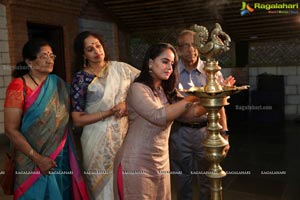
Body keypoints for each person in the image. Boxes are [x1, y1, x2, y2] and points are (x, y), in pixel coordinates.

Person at [113, 43, 206, 200]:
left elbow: (193, 112)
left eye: (172, 64)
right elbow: (158, 115)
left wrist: (217, 96)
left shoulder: (167, 91)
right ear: (150, 63)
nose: (169, 67)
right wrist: (192, 97)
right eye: (165, 61)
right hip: (136, 161)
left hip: (160, 162)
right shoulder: (138, 88)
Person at [4, 38, 89, 199]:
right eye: (44, 56)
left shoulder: (59, 84)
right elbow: (10, 129)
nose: (50, 59)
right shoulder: (18, 86)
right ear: (29, 62)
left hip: (59, 156)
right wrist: (38, 158)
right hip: (30, 160)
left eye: (51, 55)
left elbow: (80, 104)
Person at [70, 31, 139, 200]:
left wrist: (127, 104)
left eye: (98, 46)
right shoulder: (80, 79)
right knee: (102, 190)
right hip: (95, 141)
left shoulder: (121, 69)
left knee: (127, 184)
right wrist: (108, 112)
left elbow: (144, 84)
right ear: (83, 54)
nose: (96, 51)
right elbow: (77, 120)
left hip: (124, 136)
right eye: (90, 49)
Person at [169, 29, 235, 200]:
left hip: (206, 132)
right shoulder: (171, 73)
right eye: (185, 46)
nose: (191, 49)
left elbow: (220, 107)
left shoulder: (211, 70)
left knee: (207, 178)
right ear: (178, 49)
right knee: (183, 178)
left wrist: (224, 134)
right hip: (179, 132)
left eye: (194, 44)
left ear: (200, 46)